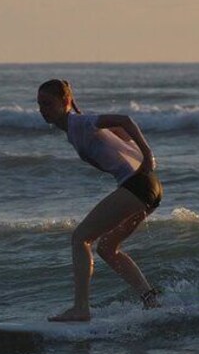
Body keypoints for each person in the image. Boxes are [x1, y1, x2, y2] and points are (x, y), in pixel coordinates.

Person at [37, 79, 163, 322]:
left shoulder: (81, 123)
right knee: (107, 248)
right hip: (150, 187)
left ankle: (81, 309)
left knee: (80, 238)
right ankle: (151, 300)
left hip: (138, 184)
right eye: (40, 104)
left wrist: (148, 155)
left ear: (65, 102)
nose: (43, 109)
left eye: (48, 103)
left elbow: (125, 120)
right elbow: (122, 135)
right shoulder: (77, 128)